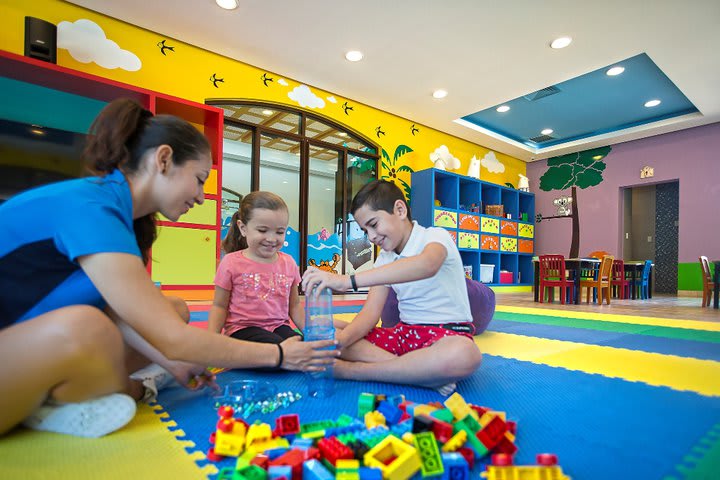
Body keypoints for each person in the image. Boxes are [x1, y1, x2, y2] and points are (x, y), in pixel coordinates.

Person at [0, 99, 337, 439]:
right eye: (199, 179)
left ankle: (87, 389)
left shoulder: (118, 213)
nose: (203, 197)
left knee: (172, 310)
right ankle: (120, 391)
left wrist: (171, 362)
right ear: (163, 160)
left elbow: (120, 313)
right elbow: (170, 339)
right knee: (88, 328)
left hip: (24, 344)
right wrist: (280, 354)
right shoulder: (90, 207)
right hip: (23, 344)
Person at [302, 180, 482, 395]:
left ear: (400, 209)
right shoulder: (384, 259)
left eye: (374, 224)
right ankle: (417, 374)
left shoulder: (435, 236)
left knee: (465, 355)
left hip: (447, 336)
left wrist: (346, 281)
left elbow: (427, 265)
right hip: (404, 337)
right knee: (326, 331)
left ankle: (354, 371)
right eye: (364, 230)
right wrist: (337, 342)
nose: (371, 236)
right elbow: (369, 315)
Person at [209, 192, 304, 347]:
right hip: (243, 330)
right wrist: (211, 342)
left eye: (280, 232)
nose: (272, 239)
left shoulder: (289, 263)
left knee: (304, 346)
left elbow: (294, 306)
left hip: (278, 327)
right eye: (262, 230)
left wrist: (310, 333)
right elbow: (219, 306)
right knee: (278, 350)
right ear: (243, 228)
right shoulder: (231, 263)